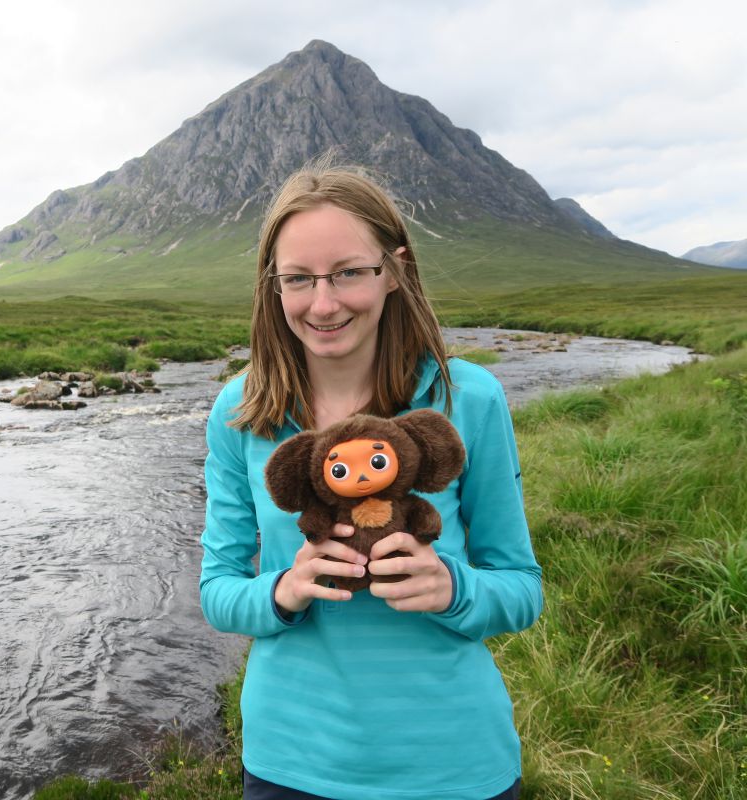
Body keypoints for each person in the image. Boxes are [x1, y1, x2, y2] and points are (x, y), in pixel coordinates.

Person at [199, 163, 543, 800]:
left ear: (396, 271)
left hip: (455, 765)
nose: (323, 303)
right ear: (272, 287)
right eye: (297, 279)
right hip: (290, 764)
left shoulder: (469, 397)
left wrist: (452, 586)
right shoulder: (239, 412)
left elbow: (521, 589)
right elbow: (219, 592)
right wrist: (284, 590)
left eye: (349, 272)